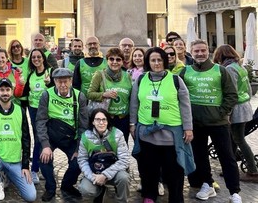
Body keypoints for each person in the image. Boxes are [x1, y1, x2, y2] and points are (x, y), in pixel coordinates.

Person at [179, 39, 242, 203]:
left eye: (203, 50)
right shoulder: (185, 72)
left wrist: (221, 112)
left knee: (227, 157)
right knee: (200, 157)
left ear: (209, 51)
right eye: (196, 51)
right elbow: (177, 95)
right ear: (191, 52)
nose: (200, 54)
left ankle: (234, 191)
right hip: (195, 124)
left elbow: (232, 95)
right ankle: (207, 184)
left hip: (218, 123)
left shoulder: (220, 70)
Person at [129, 47, 195, 203]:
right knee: (148, 169)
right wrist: (132, 124)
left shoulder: (175, 80)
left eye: (159, 60)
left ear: (165, 61)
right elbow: (134, 103)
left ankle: (176, 199)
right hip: (147, 134)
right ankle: (149, 196)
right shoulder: (140, 79)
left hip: (171, 135)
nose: (156, 63)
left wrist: (188, 127)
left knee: (174, 171)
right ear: (148, 62)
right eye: (153, 60)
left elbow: (185, 105)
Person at [0, 78, 37, 202]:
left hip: (14, 161)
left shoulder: (20, 111)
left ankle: (8, 175)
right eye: (2, 90)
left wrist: (25, 165)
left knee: (31, 197)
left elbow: (26, 138)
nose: (5, 93)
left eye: (7, 90)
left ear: (12, 91)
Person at [36, 68, 89, 201]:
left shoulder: (80, 96)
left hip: (71, 136)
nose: (63, 85)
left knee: (78, 162)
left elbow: (83, 125)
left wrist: (78, 148)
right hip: (51, 134)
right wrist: (45, 145)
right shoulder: (46, 95)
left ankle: (67, 185)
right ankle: (50, 188)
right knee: (43, 158)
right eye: (59, 82)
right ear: (54, 81)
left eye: (66, 81)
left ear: (71, 81)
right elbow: (41, 120)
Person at [213, 44, 258, 182]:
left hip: (237, 109)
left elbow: (230, 92)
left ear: (220, 55)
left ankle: (253, 171)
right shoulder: (241, 67)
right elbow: (249, 90)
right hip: (244, 106)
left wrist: (227, 113)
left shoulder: (229, 69)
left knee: (239, 139)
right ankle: (230, 168)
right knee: (234, 138)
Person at [78, 108, 130, 203]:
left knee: (124, 178)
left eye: (104, 119)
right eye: (97, 119)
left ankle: (121, 201)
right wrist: (93, 178)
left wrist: (105, 175)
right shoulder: (85, 136)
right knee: (85, 189)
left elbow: (124, 160)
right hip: (94, 172)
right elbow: (82, 160)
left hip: (114, 172)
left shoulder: (118, 134)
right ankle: (100, 191)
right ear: (93, 122)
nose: (101, 122)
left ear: (107, 121)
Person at [88, 47, 133, 142]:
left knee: (122, 148)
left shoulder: (127, 76)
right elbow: (89, 94)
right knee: (105, 148)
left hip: (123, 119)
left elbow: (131, 98)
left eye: (118, 59)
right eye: (111, 59)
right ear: (107, 60)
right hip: (106, 120)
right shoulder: (100, 75)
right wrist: (104, 94)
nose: (115, 62)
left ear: (122, 61)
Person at [23, 48, 53, 185]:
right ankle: (35, 169)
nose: (36, 59)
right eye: (33, 57)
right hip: (34, 109)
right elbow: (25, 93)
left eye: (38, 57)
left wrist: (50, 84)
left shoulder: (50, 72)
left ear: (43, 58)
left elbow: (57, 89)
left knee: (48, 138)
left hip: (49, 110)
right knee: (38, 138)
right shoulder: (31, 75)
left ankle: (45, 166)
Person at [8, 39, 29, 108]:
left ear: (21, 47)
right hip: (14, 97)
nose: (16, 48)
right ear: (10, 50)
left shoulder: (28, 61)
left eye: (18, 46)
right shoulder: (8, 63)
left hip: (27, 96)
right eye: (13, 47)